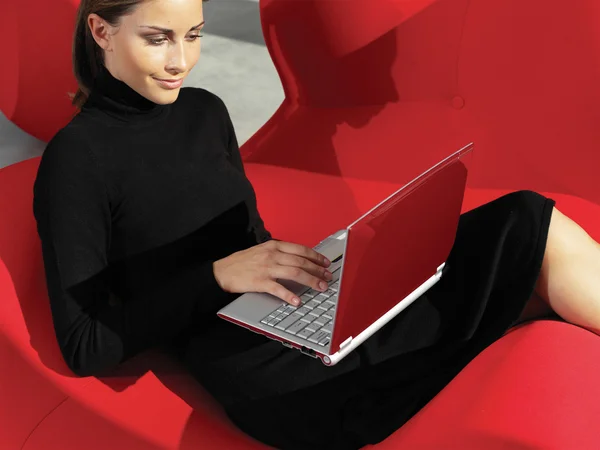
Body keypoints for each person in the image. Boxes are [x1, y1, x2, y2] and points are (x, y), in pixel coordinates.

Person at [32, 0, 600, 448]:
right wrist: (218, 276)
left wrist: (312, 265)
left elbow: (246, 236)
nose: (181, 59)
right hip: (267, 377)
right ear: (102, 32)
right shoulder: (76, 158)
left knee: (523, 217)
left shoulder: (205, 111)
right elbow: (85, 345)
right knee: (519, 263)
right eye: (157, 39)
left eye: (195, 34)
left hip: (292, 313)